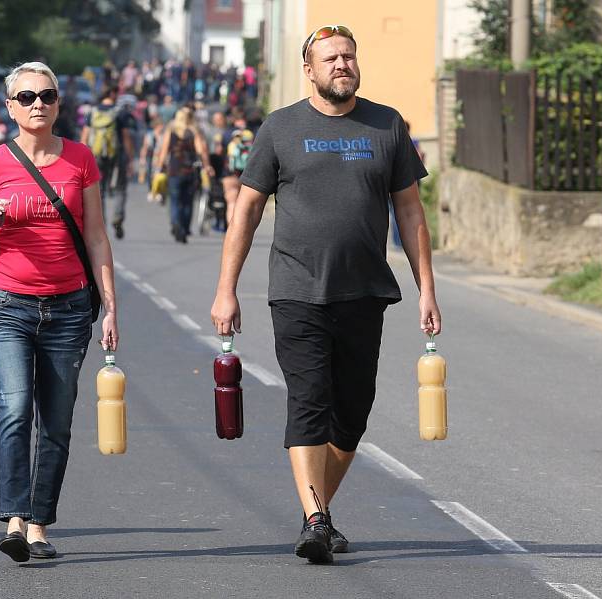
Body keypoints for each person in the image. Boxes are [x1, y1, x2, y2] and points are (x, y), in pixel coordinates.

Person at [210, 25, 441, 565]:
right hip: (296, 291)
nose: (342, 64)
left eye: (349, 56)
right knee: (309, 403)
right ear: (308, 69)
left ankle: (317, 514)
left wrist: (426, 287)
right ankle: (316, 518)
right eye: (330, 58)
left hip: (365, 293)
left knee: (352, 414)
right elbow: (245, 211)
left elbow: (409, 210)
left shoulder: (387, 125)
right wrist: (227, 290)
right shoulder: (280, 128)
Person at [0, 61, 119, 563]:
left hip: (70, 307)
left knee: (56, 420)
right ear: (9, 107)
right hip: (7, 304)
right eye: (26, 97)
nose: (37, 105)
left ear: (58, 105)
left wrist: (110, 308)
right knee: (14, 408)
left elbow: (95, 236)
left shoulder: (80, 160)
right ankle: (13, 519)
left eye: (46, 96)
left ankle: (38, 525)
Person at [80, 86, 135, 239]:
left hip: (96, 156)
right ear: (112, 93)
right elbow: (126, 138)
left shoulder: (92, 113)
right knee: (120, 188)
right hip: (116, 156)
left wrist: (82, 159)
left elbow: (85, 137)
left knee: (99, 191)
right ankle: (117, 218)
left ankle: (100, 223)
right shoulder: (120, 113)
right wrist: (130, 158)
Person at [157, 106, 212, 243]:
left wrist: (159, 167)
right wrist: (206, 165)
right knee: (188, 201)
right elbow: (201, 151)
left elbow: (164, 151)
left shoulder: (172, 131)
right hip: (190, 171)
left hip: (174, 170)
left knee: (175, 200)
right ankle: (185, 227)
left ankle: (176, 223)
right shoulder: (194, 132)